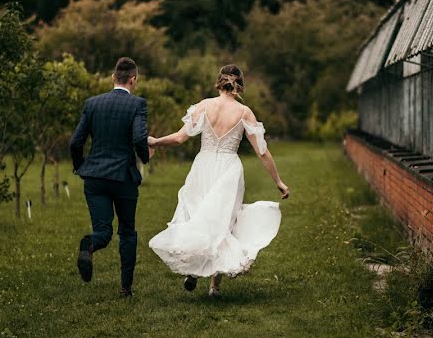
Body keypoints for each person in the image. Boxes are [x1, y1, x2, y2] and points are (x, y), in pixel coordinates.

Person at [147, 64, 289, 296]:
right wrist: (278, 181)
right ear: (240, 85)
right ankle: (214, 286)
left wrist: (155, 141)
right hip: (228, 169)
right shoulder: (244, 113)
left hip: (203, 165)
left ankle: (193, 272)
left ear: (219, 82)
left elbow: (180, 138)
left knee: (198, 214)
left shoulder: (204, 106)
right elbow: (262, 152)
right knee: (223, 221)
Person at [69, 57, 153, 298]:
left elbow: (75, 142)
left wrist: (81, 167)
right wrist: (146, 157)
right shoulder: (138, 104)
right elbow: (139, 139)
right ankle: (126, 288)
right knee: (127, 231)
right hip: (123, 178)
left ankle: (90, 245)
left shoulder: (92, 103)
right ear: (133, 80)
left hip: (94, 177)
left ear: (112, 78)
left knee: (103, 231)